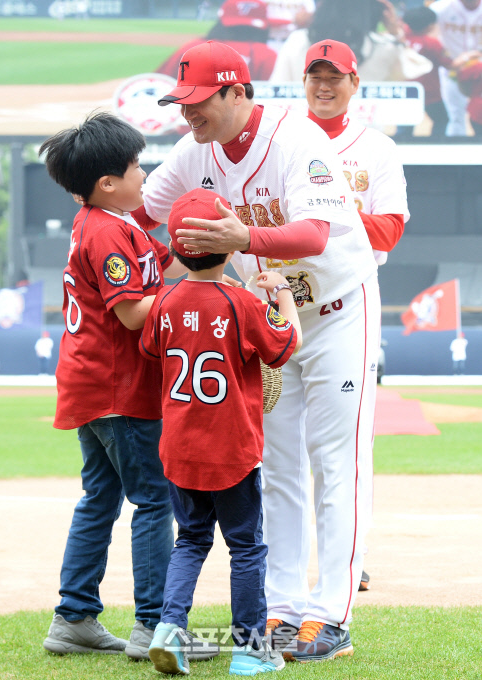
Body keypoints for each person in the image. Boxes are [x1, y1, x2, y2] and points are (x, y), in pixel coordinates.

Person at [140, 40, 380, 662]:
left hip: (335, 311)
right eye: (181, 100)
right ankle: (281, 610)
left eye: (198, 101)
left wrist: (244, 235)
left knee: (335, 462)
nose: (187, 113)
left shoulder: (298, 138)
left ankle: (330, 616)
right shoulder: (194, 151)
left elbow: (313, 234)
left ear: (237, 92)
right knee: (273, 465)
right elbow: (145, 212)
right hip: (265, 322)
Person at [38, 113, 217, 662]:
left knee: (100, 498)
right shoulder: (110, 228)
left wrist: (212, 270)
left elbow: (165, 263)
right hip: (119, 390)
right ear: (107, 182)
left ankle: (74, 617)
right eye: (135, 165)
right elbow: (135, 312)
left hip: (92, 385)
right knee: (154, 498)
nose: (145, 172)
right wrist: (192, 300)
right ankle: (154, 627)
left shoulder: (110, 222)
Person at [140, 188, 301, 675]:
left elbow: (151, 351)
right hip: (232, 451)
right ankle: (251, 650)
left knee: (189, 541)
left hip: (181, 450)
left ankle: (169, 630)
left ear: (176, 246)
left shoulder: (164, 301)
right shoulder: (241, 303)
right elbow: (284, 346)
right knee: (246, 547)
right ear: (229, 245)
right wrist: (282, 296)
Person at [301, 38, 410, 593]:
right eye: (315, 76)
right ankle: (286, 565)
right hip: (283, 308)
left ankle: (348, 557)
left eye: (335, 77)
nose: (324, 86)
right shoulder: (284, 142)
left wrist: (319, 221)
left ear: (354, 84)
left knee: (343, 447)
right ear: (304, 81)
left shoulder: (377, 148)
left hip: (346, 306)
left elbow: (389, 229)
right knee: (282, 453)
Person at [270, 0, 406, 82]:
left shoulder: (298, 40)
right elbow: (412, 73)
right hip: (365, 127)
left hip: (304, 125)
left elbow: (278, 85)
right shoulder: (383, 47)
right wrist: (396, 32)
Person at [156, 0, 278, 81]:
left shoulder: (193, 48)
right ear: (263, 27)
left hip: (192, 118)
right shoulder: (267, 55)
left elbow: (158, 83)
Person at [429, 0, 482, 136]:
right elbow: (422, 26)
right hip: (451, 69)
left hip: (479, 71)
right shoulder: (441, 8)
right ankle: (458, 150)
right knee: (455, 114)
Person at [402, 6, 453, 138]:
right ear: (430, 26)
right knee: (442, 120)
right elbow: (449, 64)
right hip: (430, 93)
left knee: (405, 125)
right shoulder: (432, 43)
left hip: (406, 91)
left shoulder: (401, 40)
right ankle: (436, 145)